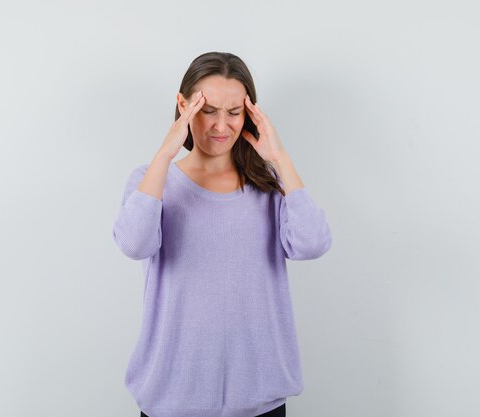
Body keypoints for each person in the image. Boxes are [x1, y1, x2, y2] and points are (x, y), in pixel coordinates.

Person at [112, 51, 332, 417]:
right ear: (183, 106)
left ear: (250, 114)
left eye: (234, 112)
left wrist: (281, 159)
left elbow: (312, 243)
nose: (220, 125)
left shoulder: (270, 186)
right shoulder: (150, 181)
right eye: (207, 110)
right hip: (171, 401)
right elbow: (134, 244)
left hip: (261, 401)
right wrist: (165, 154)